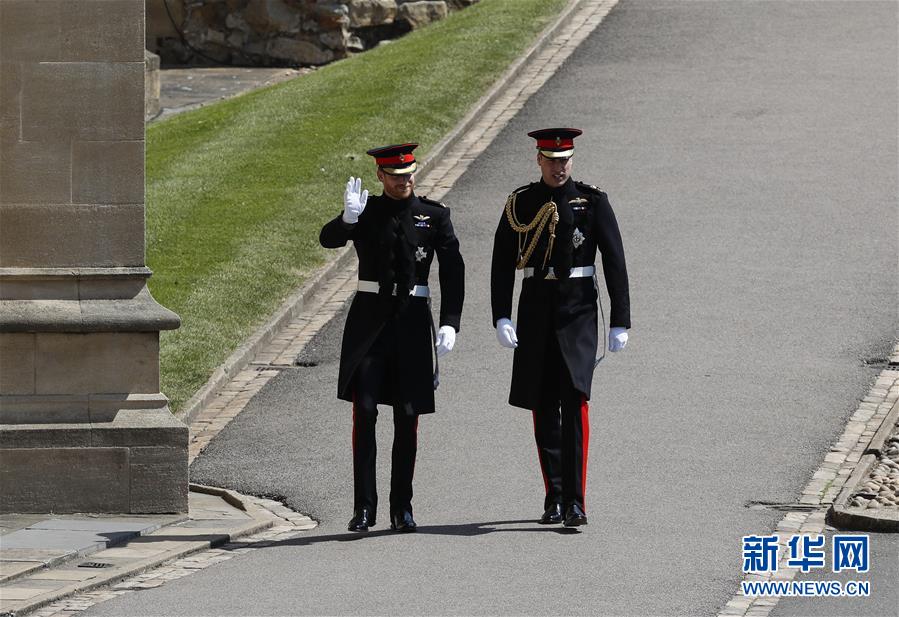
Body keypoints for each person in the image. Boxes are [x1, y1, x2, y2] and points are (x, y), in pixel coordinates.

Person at [319, 143, 465, 533]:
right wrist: (348, 220)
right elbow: (328, 239)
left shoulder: (433, 215)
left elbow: (452, 269)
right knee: (364, 411)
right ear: (381, 177)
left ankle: (402, 507)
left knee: (408, 415)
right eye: (396, 176)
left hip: (413, 321)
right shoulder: (367, 213)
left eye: (409, 174)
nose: (404, 181)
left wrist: (450, 321)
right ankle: (364, 507)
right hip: (370, 323)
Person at [490, 128, 630, 528]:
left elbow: (615, 262)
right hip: (536, 306)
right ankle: (553, 494)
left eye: (565, 159)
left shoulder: (592, 201)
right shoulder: (522, 203)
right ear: (538, 160)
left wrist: (621, 320)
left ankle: (576, 500)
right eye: (552, 160)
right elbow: (502, 262)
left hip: (578, 309)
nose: (559, 166)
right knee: (543, 403)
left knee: (575, 400)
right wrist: (501, 314)